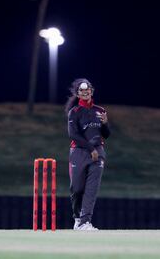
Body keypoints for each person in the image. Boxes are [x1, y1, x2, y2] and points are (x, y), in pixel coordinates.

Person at [65, 78, 111, 230]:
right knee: (77, 189)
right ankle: (78, 218)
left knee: (91, 189)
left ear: (91, 91)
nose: (85, 92)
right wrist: (91, 149)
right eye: (82, 91)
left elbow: (106, 134)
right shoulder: (74, 112)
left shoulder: (100, 110)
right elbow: (73, 135)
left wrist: (105, 123)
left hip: (98, 152)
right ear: (78, 94)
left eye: (88, 90)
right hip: (79, 152)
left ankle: (85, 222)